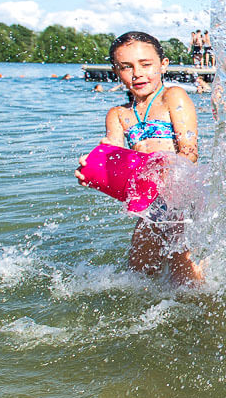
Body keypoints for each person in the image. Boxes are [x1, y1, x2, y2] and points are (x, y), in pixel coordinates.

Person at [77, 31, 203, 285]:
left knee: (184, 274)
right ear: (115, 71)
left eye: (146, 65)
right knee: (138, 273)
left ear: (163, 65)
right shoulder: (119, 114)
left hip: (180, 196)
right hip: (149, 202)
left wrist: (166, 169)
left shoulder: (173, 97)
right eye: (126, 67)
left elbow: (189, 151)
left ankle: (205, 313)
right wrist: (91, 168)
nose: (137, 73)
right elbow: (111, 152)